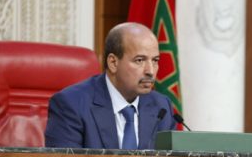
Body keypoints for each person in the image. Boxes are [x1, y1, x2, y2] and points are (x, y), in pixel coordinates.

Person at [44, 22, 178, 149]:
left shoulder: (161, 107)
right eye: (139, 60)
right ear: (113, 63)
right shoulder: (71, 105)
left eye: (155, 60)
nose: (150, 71)